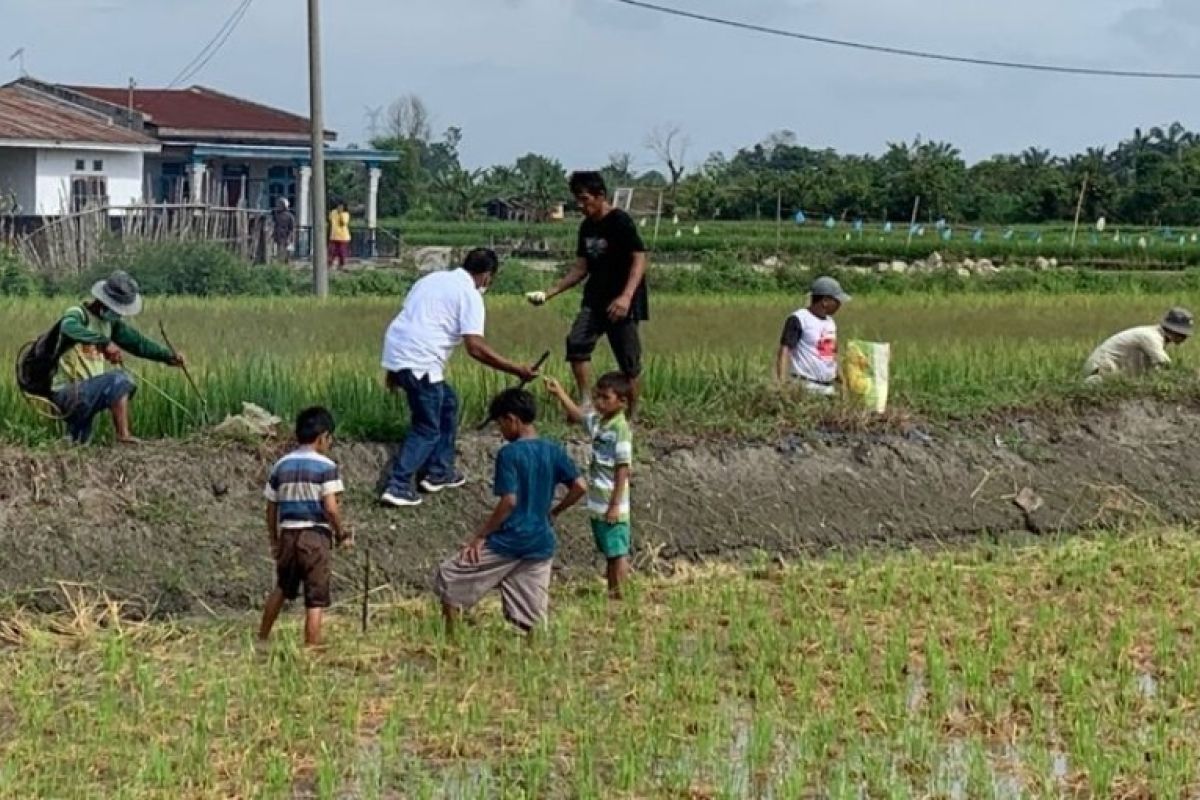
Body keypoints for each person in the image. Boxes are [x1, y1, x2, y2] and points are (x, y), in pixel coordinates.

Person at [380, 248, 539, 508]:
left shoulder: (431, 280)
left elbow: (411, 322)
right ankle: (397, 485)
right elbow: (475, 347)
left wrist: (395, 368)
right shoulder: (470, 295)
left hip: (399, 352)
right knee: (426, 428)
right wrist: (516, 369)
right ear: (487, 277)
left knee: (448, 402)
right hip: (421, 361)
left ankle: (439, 472)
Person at [433, 388, 586, 636]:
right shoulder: (553, 449)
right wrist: (555, 511)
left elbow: (509, 501)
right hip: (541, 542)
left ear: (512, 419)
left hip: (511, 539)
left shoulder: (510, 454)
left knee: (450, 575)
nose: (501, 432)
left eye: (501, 424)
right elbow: (580, 487)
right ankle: (537, 656)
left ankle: (451, 638)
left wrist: (481, 535)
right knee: (533, 619)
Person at [525, 171, 648, 417]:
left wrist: (625, 297)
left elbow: (639, 259)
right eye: (577, 200)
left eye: (585, 199)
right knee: (577, 343)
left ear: (600, 196)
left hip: (621, 300)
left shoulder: (620, 222)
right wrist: (550, 293)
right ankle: (586, 404)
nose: (581, 205)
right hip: (595, 298)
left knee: (628, 362)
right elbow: (581, 268)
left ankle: (632, 415)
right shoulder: (586, 227)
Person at [50, 271, 185, 444]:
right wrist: (103, 343)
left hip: (87, 395)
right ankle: (123, 435)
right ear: (104, 303)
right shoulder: (78, 314)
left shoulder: (109, 324)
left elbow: (138, 343)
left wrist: (167, 356)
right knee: (120, 379)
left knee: (78, 445)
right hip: (68, 392)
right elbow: (67, 327)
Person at [258, 406, 352, 648]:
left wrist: (274, 540)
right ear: (323, 437)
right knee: (315, 597)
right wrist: (341, 533)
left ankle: (262, 638)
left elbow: (271, 508)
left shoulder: (281, 465)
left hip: (288, 535)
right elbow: (331, 508)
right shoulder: (326, 467)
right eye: (329, 439)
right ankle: (312, 647)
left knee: (281, 587)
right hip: (314, 536)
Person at [545, 372, 634, 599]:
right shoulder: (599, 422)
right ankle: (613, 591)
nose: (599, 402)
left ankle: (619, 594)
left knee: (617, 552)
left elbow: (623, 468)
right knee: (609, 550)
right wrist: (560, 392)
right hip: (598, 500)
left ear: (622, 402)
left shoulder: (620, 429)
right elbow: (578, 415)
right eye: (597, 397)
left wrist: (614, 504)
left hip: (611, 501)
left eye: (605, 398)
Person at [774, 275, 851, 396]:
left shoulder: (830, 323)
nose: (839, 305)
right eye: (836, 301)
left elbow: (831, 355)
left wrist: (842, 381)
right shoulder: (799, 319)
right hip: (806, 387)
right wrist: (782, 384)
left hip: (827, 388)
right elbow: (785, 350)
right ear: (825, 301)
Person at [1084, 307, 1194, 383]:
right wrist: (1186, 377)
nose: (1185, 337)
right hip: (1098, 372)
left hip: (1108, 372)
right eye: (1182, 334)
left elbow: (1154, 371)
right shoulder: (1151, 337)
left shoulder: (1156, 338)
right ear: (1173, 332)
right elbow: (1165, 364)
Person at [272, 197, 296, 264]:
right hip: (277, 237)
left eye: (280, 204)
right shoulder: (276, 215)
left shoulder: (290, 216)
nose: (278, 206)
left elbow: (292, 229)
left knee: (286, 254)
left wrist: (290, 238)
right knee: (278, 254)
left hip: (286, 237)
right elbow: (274, 225)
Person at [328, 201, 351, 269]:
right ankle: (330, 264)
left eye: (341, 206)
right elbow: (330, 220)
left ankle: (342, 265)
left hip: (343, 237)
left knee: (342, 252)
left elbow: (343, 222)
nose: (339, 207)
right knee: (332, 251)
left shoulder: (345, 214)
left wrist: (340, 214)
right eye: (339, 206)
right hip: (334, 236)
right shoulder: (333, 212)